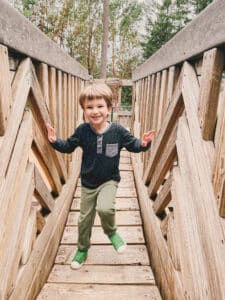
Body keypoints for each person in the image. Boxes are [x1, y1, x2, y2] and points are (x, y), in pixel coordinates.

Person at [46, 83, 155, 269]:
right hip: (88, 182)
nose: (95, 111)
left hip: (109, 180)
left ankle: (111, 232)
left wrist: (144, 143)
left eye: (100, 106)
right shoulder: (82, 131)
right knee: (84, 218)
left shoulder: (118, 131)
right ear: (83, 110)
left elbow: (134, 145)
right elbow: (69, 146)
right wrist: (55, 141)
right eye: (89, 107)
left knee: (105, 208)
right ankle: (82, 249)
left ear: (109, 108)